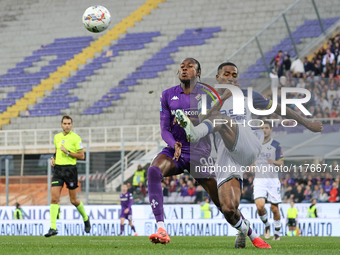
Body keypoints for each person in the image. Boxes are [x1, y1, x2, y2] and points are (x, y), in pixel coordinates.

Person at [175, 62, 322, 247]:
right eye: (226, 74)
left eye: (234, 75)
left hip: (248, 145)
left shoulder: (247, 96)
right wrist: (223, 98)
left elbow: (280, 109)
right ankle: (243, 228)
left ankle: (194, 134)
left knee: (222, 120)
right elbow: (202, 119)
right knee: (228, 209)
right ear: (218, 78)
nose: (231, 77)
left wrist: (308, 124)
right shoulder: (207, 100)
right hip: (225, 157)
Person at [148, 58, 263, 248]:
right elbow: (164, 129)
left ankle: (249, 232)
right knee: (153, 171)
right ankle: (161, 228)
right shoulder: (167, 95)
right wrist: (173, 143)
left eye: (190, 67)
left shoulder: (208, 93)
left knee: (224, 205)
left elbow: (212, 116)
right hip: (176, 149)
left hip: (200, 153)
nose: (185, 69)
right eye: (182, 67)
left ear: (198, 72)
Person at [45, 115, 90, 237]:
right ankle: (53, 227)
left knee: (73, 200)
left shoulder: (76, 138)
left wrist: (68, 152)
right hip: (58, 170)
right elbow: (56, 150)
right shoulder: (57, 137)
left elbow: (82, 156)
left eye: (69, 123)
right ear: (61, 124)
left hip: (70, 171)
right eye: (65, 123)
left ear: (72, 125)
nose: (67, 125)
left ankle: (85, 218)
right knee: (54, 199)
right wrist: (53, 158)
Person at [253, 121, 284, 241]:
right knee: (260, 207)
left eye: (266, 128)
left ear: (271, 130)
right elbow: (253, 160)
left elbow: (281, 163)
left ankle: (277, 233)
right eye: (262, 128)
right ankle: (266, 224)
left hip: (272, 181)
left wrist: (274, 162)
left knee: (274, 209)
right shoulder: (256, 145)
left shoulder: (276, 145)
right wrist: (251, 166)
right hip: (259, 180)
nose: (264, 130)